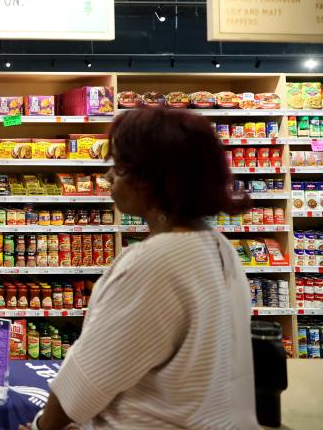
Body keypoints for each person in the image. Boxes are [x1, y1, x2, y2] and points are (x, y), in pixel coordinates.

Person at [22, 108, 259, 429]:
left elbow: (87, 379)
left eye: (118, 166)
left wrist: (41, 427)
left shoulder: (154, 262)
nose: (108, 177)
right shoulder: (220, 247)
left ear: (149, 179)